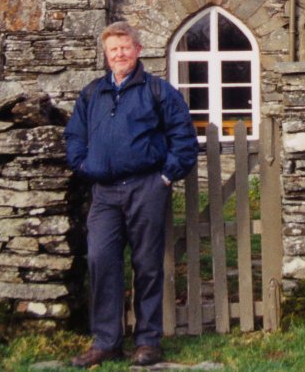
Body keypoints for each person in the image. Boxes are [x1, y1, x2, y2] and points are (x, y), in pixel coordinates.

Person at [65, 21, 199, 368]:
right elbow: (75, 137)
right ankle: (107, 342)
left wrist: (165, 178)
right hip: (105, 193)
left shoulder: (158, 91)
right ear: (106, 55)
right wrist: (85, 166)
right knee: (100, 260)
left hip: (146, 188)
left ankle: (147, 343)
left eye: (125, 47)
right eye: (113, 49)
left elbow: (183, 140)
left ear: (137, 50)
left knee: (147, 266)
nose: (120, 54)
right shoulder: (92, 94)